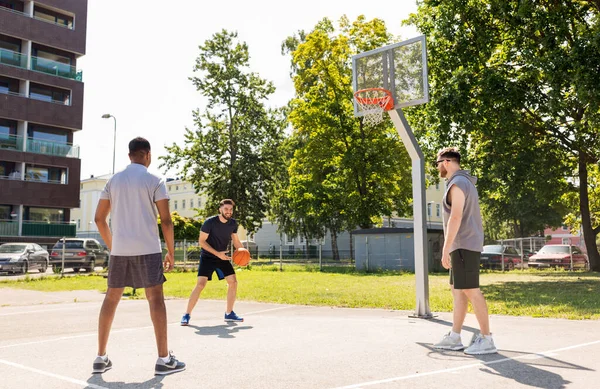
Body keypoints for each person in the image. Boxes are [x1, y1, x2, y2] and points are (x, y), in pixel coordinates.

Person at [93, 137, 185, 375]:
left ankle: (100, 357)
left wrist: (113, 246)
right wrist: (171, 252)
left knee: (111, 299)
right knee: (155, 299)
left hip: (120, 250)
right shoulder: (155, 180)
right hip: (148, 248)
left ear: (130, 155)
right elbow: (166, 220)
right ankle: (164, 360)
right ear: (147, 154)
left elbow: (99, 219)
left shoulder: (113, 181)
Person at [433, 147, 497, 355]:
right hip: (461, 245)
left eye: (438, 163)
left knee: (470, 290)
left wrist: (445, 248)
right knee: (458, 290)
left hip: (463, 244)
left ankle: (487, 339)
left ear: (447, 162)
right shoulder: (463, 181)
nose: (437, 168)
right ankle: (455, 336)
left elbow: (456, 217)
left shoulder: (458, 183)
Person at [180, 199, 246, 326]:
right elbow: (202, 242)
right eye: (226, 209)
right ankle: (186, 314)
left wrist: (243, 252)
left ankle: (229, 313)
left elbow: (236, 241)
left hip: (222, 257)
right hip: (208, 256)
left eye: (231, 209)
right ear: (220, 209)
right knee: (201, 284)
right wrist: (217, 254)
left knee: (233, 282)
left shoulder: (232, 223)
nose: (229, 212)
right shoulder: (209, 222)